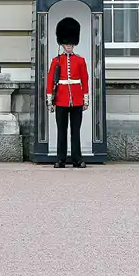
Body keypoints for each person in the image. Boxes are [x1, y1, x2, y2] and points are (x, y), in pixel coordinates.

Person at [46, 16, 90, 168]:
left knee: (75, 131)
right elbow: (50, 80)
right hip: (61, 99)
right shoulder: (56, 61)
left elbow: (85, 80)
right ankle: (61, 159)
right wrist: (50, 100)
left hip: (76, 100)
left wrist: (85, 100)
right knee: (61, 131)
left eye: (71, 43)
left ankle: (77, 159)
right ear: (62, 44)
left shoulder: (80, 60)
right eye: (66, 43)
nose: (69, 46)